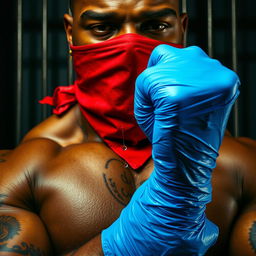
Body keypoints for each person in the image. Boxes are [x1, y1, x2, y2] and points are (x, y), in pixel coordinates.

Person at [0, 0, 255, 255]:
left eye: (156, 25)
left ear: (181, 29)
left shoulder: (244, 164)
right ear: (70, 33)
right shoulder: (24, 170)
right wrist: (129, 240)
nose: (130, 45)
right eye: (103, 27)